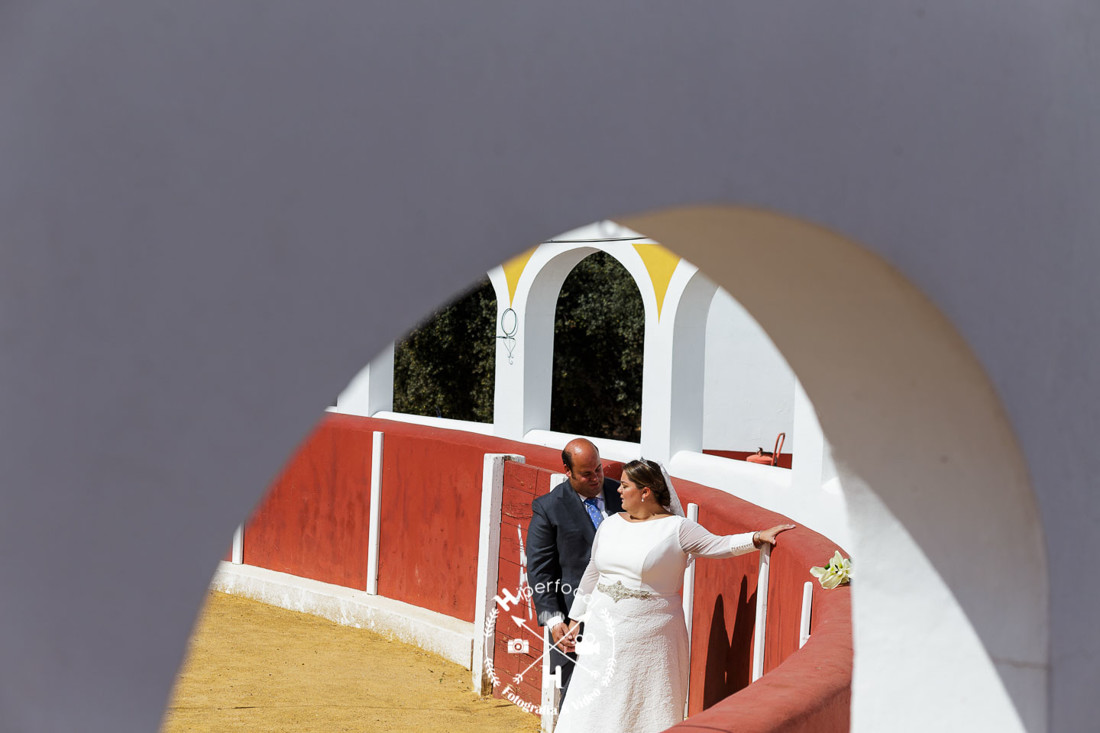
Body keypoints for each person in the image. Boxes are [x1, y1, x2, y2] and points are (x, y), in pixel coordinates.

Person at [552, 459, 795, 733]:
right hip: (602, 631)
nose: (617, 491)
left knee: (641, 704)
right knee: (595, 702)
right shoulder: (610, 525)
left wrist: (757, 537)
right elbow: (593, 571)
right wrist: (575, 618)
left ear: (646, 492)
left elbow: (718, 545)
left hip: (651, 636)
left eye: (624, 485)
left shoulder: (678, 528)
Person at [526, 438, 624, 702]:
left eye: (599, 470)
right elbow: (540, 570)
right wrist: (554, 620)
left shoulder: (624, 495)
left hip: (621, 613)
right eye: (587, 473)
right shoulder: (549, 507)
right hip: (572, 619)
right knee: (575, 700)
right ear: (567, 471)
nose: (596, 478)